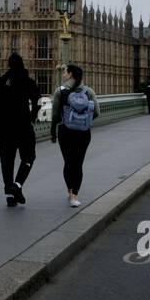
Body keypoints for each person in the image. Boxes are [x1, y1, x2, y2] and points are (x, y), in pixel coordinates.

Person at [0, 53, 41, 207]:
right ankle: (17, 185)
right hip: (23, 126)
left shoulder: (1, 82)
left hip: (5, 126)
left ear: (9, 65)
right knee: (28, 157)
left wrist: (4, 111)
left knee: (6, 160)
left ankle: (9, 195)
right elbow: (37, 101)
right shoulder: (28, 81)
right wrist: (31, 116)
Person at [51, 64, 99, 207]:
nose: (64, 74)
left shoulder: (59, 91)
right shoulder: (89, 91)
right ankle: (75, 195)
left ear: (70, 74)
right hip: (83, 133)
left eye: (65, 72)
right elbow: (97, 112)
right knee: (78, 163)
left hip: (65, 131)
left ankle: (70, 191)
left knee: (68, 162)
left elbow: (54, 115)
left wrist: (53, 132)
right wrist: (84, 121)